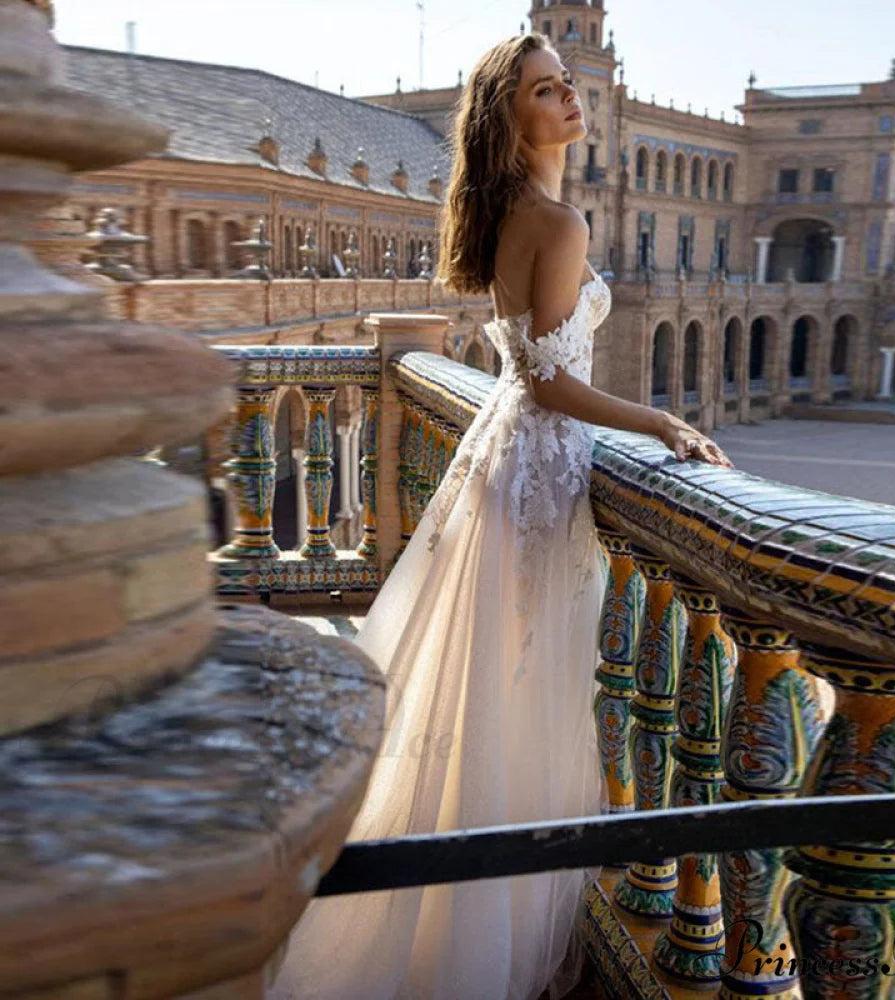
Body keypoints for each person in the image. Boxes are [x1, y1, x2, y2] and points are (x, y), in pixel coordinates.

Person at [269, 31, 732, 1000]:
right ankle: (472, 936)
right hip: (538, 463)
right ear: (510, 114)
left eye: (569, 83)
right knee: (514, 694)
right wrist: (657, 419)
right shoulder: (555, 222)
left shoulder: (512, 208)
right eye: (545, 89)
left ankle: (446, 910)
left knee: (489, 688)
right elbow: (552, 379)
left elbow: (529, 371)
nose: (569, 99)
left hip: (510, 456)